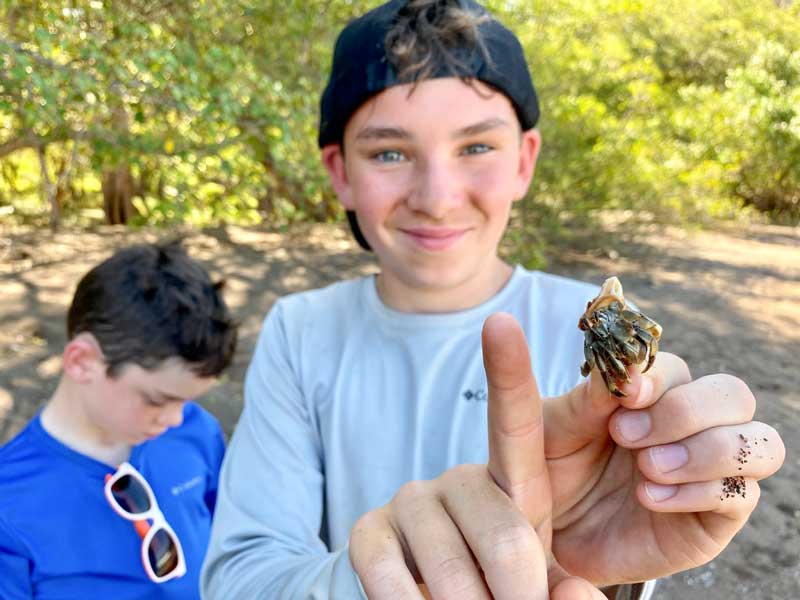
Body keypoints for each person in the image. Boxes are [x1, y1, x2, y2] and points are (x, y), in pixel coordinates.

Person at [201, 1, 785, 598]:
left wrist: (605, 553)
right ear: (340, 171)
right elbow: (240, 576)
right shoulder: (300, 332)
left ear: (524, 161)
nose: (437, 197)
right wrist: (389, 578)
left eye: (476, 147)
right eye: (390, 153)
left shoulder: (579, 326)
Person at [0, 241, 238, 599]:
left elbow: (228, 543)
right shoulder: (11, 503)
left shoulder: (196, 431)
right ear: (82, 361)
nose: (176, 418)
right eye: (157, 399)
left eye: (187, 400)